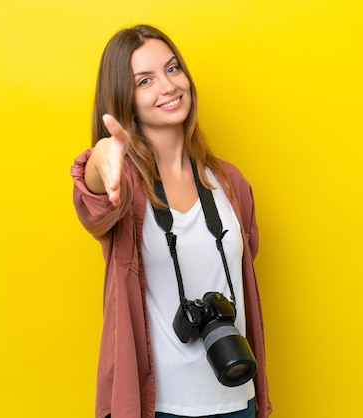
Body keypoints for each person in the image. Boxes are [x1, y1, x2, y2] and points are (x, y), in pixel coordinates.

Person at [70, 24, 272, 418]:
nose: (168, 86)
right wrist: (102, 157)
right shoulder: (124, 185)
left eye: (173, 69)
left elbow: (246, 263)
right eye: (145, 80)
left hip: (236, 396)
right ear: (124, 100)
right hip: (158, 406)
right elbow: (93, 199)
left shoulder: (231, 183)